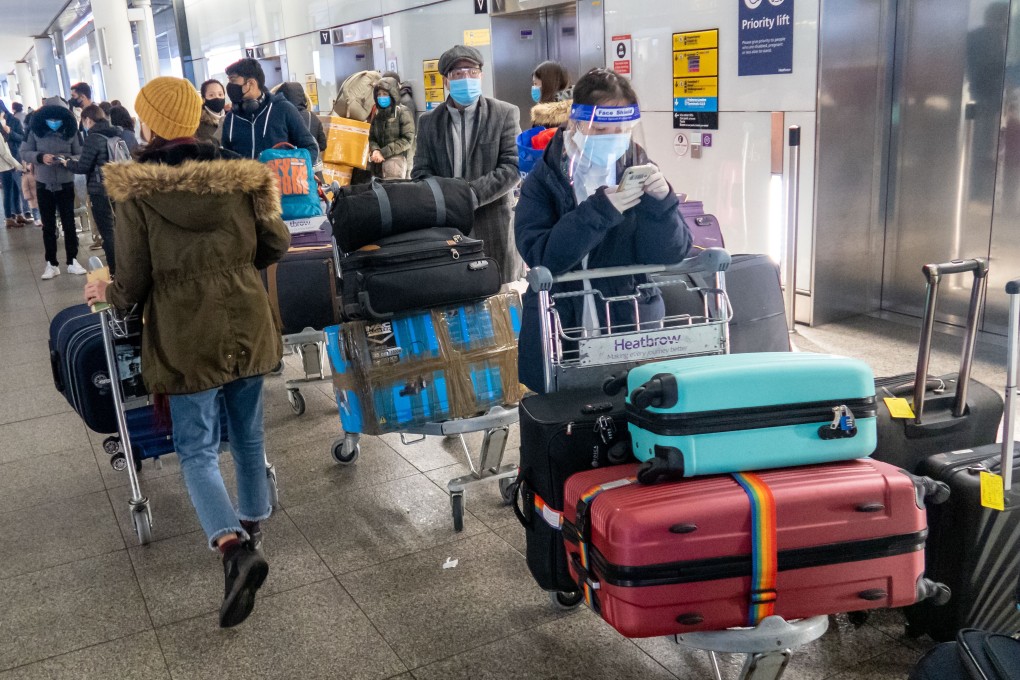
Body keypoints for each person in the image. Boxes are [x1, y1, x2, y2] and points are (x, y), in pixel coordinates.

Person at [82, 76, 290, 628]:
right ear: (199, 115)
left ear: (149, 123)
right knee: (248, 435)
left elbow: (134, 277)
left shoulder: (138, 191)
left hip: (185, 330)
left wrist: (109, 289)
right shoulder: (246, 176)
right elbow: (277, 244)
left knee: (197, 447)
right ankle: (253, 528)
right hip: (248, 319)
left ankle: (232, 549)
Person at [514, 68, 691, 393]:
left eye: (622, 129)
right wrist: (601, 210)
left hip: (630, 319)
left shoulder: (636, 165)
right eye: (602, 129)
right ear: (577, 123)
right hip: (564, 325)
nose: (613, 138)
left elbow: (671, 252)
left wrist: (661, 202)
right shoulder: (545, 178)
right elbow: (542, 255)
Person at [412, 45, 522, 283]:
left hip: (494, 224)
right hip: (447, 229)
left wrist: (470, 195)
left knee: (500, 296)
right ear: (446, 81)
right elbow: (420, 172)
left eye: (472, 72)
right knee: (455, 294)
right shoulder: (429, 122)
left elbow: (512, 167)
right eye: (458, 74)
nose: (467, 78)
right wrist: (447, 200)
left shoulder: (504, 113)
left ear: (481, 75)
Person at [20, 97, 86, 279]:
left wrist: (67, 160)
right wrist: (41, 157)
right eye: (52, 118)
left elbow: (80, 153)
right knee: (48, 225)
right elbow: (24, 152)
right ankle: (51, 263)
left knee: (69, 223)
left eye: (58, 119)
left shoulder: (71, 129)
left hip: (66, 181)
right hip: (43, 182)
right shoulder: (34, 129)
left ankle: (73, 260)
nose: (55, 122)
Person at [61, 105, 128, 274]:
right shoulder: (117, 133)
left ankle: (115, 271)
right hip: (118, 187)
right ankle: (127, 268)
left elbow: (83, 166)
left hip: (100, 191)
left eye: (83, 121)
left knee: (108, 233)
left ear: (88, 120)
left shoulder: (93, 137)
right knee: (121, 230)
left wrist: (67, 163)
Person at [221, 59, 318, 162]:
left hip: (279, 177)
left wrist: (286, 165)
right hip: (244, 178)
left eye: (233, 81)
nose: (229, 86)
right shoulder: (231, 118)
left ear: (251, 83)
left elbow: (311, 149)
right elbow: (225, 159)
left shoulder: (283, 109)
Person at [369, 76, 415, 179]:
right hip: (379, 166)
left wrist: (383, 152)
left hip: (400, 166)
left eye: (385, 94)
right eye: (379, 94)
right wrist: (375, 150)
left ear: (393, 95)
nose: (381, 97)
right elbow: (372, 138)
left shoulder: (403, 112)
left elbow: (407, 140)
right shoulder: (377, 115)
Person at [275, 82, 328, 164]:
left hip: (285, 167)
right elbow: (323, 144)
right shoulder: (312, 117)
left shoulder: (279, 117)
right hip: (309, 167)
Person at [1, 101, 28, 226]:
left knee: (17, 188)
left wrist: (9, 132)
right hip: (5, 162)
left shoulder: (14, 122)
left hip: (15, 157)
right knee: (8, 190)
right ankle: (9, 216)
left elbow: (22, 138)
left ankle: (19, 213)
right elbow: (3, 152)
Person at [196, 79, 227, 145]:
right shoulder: (199, 125)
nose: (217, 98)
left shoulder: (231, 118)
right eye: (211, 95)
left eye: (220, 94)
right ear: (203, 99)